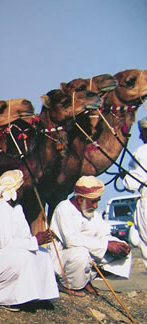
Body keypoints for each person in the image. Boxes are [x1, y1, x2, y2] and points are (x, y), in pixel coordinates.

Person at [0, 170, 59, 310]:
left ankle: (39, 296)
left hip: (8, 256)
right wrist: (34, 241)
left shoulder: (17, 209)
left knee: (42, 254)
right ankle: (5, 298)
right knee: (23, 256)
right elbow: (6, 244)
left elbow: (24, 238)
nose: (22, 192)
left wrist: (38, 240)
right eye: (21, 188)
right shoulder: (0, 210)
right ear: (15, 191)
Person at [50, 176, 132, 296]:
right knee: (81, 254)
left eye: (97, 201)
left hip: (88, 256)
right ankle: (67, 283)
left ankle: (84, 280)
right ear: (80, 199)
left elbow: (104, 234)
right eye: (93, 201)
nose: (96, 206)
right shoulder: (63, 208)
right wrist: (106, 245)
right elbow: (71, 241)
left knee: (123, 251)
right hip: (64, 258)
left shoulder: (91, 212)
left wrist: (117, 244)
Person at [123, 117, 147, 272]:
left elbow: (131, 184)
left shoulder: (143, 152)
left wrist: (125, 176)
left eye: (141, 133)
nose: (139, 137)